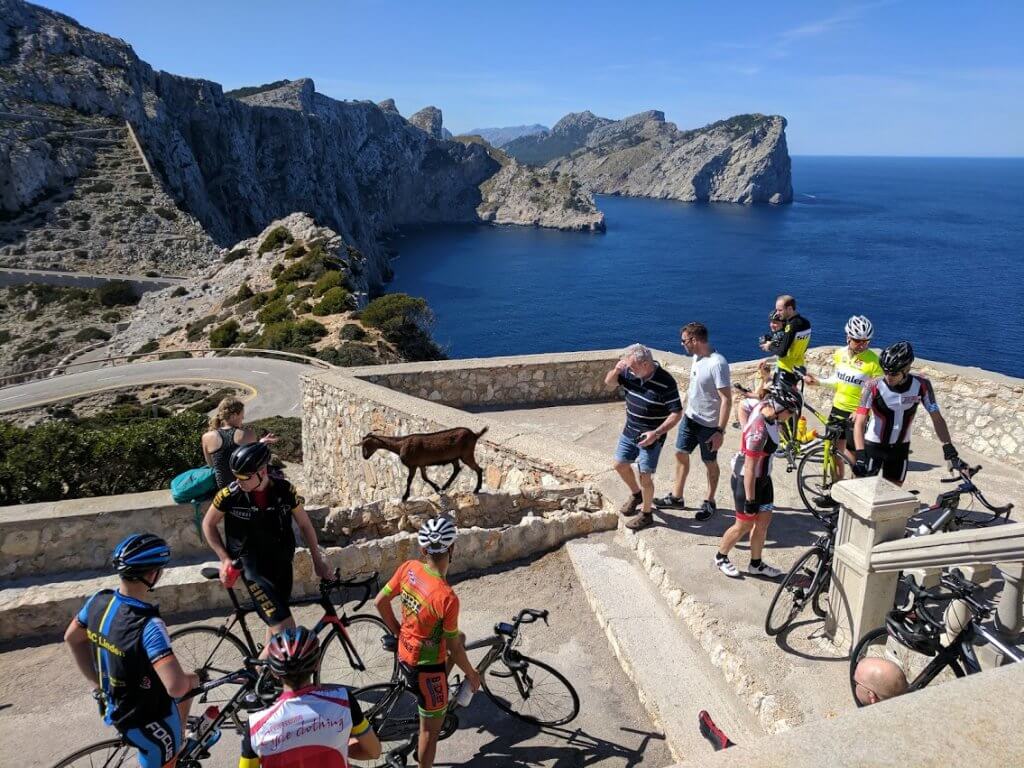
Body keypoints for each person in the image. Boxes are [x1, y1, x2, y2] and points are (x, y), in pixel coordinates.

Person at [65, 534, 200, 768]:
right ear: (152, 575)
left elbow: (72, 638)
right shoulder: (149, 625)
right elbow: (176, 687)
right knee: (189, 682)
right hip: (148, 720)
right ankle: (176, 743)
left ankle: (178, 741)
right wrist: (196, 679)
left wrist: (97, 684)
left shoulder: (98, 600)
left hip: (114, 705)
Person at [202, 442, 332, 654]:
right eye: (236, 476)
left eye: (244, 477)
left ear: (262, 472)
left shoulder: (284, 490)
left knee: (276, 629)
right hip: (251, 568)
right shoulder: (229, 495)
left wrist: (318, 561)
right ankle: (272, 671)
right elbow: (208, 524)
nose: (238, 481)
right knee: (288, 634)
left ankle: (262, 672)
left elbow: (305, 525)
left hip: (281, 564)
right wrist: (224, 559)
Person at [374, 518, 480, 768]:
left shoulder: (408, 568)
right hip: (426, 669)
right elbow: (453, 649)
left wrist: (399, 632)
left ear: (423, 550)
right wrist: (472, 674)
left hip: (404, 652)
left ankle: (437, 697)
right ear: (452, 548)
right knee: (429, 733)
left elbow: (380, 601)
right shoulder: (446, 597)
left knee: (461, 637)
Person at [239, 626, 381, 767]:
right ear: (317, 665)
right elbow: (373, 751)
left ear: (274, 672)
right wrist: (337, 744)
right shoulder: (344, 701)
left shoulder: (255, 727)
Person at [714, 387, 802, 578]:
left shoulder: (766, 406)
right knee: (744, 525)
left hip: (764, 478)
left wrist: (743, 426)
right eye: (790, 412)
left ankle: (756, 564)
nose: (791, 416)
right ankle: (721, 556)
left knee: (763, 523)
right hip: (747, 480)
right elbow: (749, 468)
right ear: (780, 408)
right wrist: (750, 499)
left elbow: (743, 403)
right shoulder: (758, 432)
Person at [852, 341, 961, 486]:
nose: (888, 376)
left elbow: (937, 418)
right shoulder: (872, 386)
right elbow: (859, 422)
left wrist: (948, 447)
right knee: (861, 490)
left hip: (899, 450)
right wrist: (860, 454)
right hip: (873, 447)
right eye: (885, 371)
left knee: (893, 494)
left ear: (906, 369)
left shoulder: (922, 385)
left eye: (894, 373)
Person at [656, 323, 731, 522]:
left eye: (684, 341)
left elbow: (726, 399)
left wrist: (720, 431)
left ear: (694, 340)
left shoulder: (717, 363)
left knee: (710, 462)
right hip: (690, 419)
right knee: (680, 453)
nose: (682, 345)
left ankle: (709, 500)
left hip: (709, 425)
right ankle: (677, 497)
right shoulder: (697, 358)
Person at [603, 343, 683, 531]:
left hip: (651, 437)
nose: (629, 370)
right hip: (630, 430)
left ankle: (646, 514)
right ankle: (636, 494)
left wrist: (656, 434)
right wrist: (617, 370)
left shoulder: (666, 382)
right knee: (619, 465)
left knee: (645, 476)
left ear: (645, 364)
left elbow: (676, 413)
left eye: (632, 367)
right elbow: (609, 383)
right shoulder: (629, 372)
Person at [804, 315, 883, 478]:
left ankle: (855, 486)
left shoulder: (874, 362)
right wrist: (818, 382)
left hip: (857, 414)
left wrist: (861, 411)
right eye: (858, 341)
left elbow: (878, 393)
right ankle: (836, 486)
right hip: (837, 408)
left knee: (853, 456)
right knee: (834, 453)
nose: (862, 345)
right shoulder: (839, 354)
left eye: (866, 341)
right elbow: (838, 381)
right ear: (848, 337)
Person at [202, 396, 277, 489]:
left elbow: (211, 464)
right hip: (246, 486)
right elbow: (256, 462)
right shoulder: (248, 434)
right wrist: (261, 444)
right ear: (233, 416)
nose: (243, 418)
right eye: (242, 415)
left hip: (224, 489)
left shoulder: (206, 437)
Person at [759, 294, 812, 388]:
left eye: (780, 310)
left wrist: (769, 346)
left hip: (785, 369)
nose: (777, 313)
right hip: (798, 366)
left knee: (780, 396)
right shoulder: (806, 323)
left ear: (790, 309)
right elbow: (803, 348)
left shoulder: (791, 326)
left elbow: (782, 352)